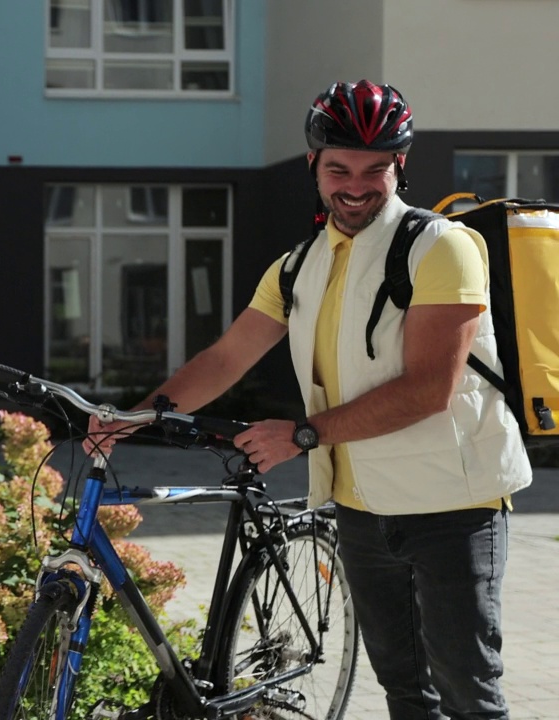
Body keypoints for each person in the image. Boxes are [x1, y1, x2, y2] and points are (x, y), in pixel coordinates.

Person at [89, 80, 532, 719]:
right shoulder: (299, 265)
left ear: (399, 165)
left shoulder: (442, 246)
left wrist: (300, 435)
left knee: (468, 693)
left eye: (376, 169)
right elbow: (224, 359)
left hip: (452, 507)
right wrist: (133, 418)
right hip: (359, 507)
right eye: (339, 169)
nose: (357, 185)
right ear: (313, 167)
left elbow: (429, 389)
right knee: (406, 693)